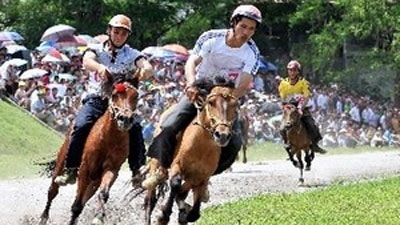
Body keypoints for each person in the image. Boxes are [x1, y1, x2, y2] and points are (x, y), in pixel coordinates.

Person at [142, 4, 262, 190]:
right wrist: (191, 85)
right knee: (168, 125)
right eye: (243, 26)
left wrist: (230, 99)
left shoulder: (252, 52)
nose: (247, 32)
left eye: (252, 29)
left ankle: (204, 178)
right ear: (234, 22)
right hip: (200, 91)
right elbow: (192, 61)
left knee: (235, 142)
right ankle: (160, 168)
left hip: (225, 99)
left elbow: (245, 82)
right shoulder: (211, 38)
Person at [54, 14, 153, 186]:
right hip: (97, 98)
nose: (119, 36)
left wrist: (146, 70)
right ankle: (71, 169)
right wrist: (99, 67)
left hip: (121, 103)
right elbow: (87, 61)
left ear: (127, 36)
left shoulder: (133, 54)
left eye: (123, 33)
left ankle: (137, 170)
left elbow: (146, 65)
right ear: (109, 31)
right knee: (81, 125)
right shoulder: (96, 49)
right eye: (116, 32)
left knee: (135, 127)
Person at [278, 60, 327, 154]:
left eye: (294, 70)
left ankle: (314, 144)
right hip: (289, 109)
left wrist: (300, 108)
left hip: (302, 108)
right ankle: (287, 143)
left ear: (298, 71)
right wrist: (285, 107)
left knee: (312, 125)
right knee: (282, 128)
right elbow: (283, 98)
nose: (292, 72)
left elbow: (306, 97)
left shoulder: (303, 83)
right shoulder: (283, 84)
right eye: (290, 70)